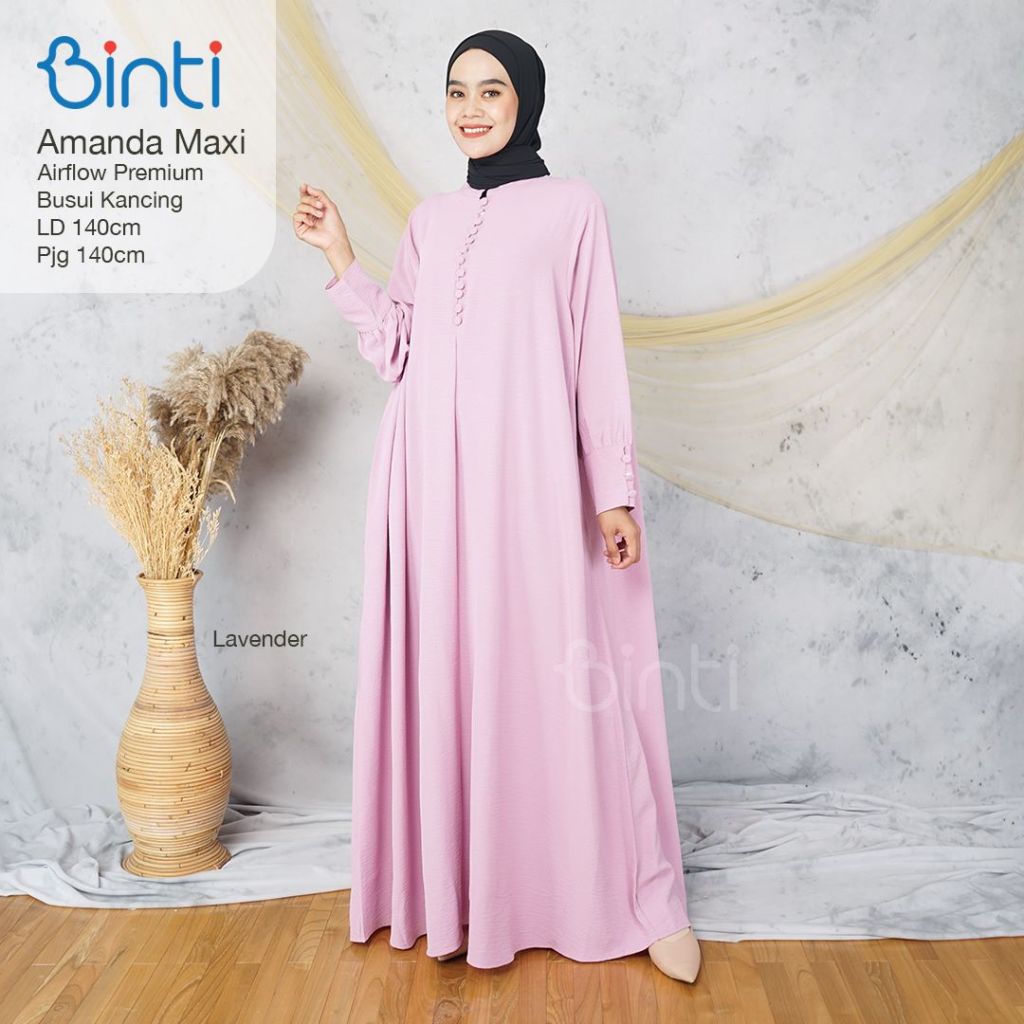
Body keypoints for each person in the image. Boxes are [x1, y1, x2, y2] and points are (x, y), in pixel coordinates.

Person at [293, 28, 701, 983]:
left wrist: (613, 491)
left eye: (491, 90)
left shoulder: (573, 208)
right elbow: (399, 349)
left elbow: (595, 354)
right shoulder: (431, 220)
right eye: (456, 91)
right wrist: (341, 254)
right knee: (454, 672)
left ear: (527, 100)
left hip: (530, 477)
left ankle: (617, 889)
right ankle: (462, 887)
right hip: (427, 482)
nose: (470, 108)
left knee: (558, 670)